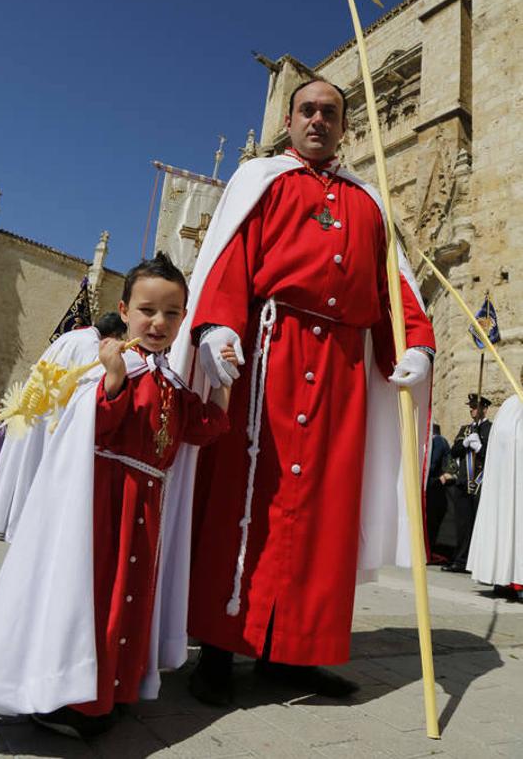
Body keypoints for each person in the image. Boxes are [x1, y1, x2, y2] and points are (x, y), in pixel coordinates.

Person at [167, 78, 435, 706]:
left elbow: (390, 286)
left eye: (331, 113)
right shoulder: (261, 181)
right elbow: (228, 259)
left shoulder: (367, 202)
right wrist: (217, 327)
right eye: (308, 110)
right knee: (245, 499)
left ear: (345, 127)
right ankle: (219, 647)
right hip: (268, 356)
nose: (318, 120)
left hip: (342, 369)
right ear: (289, 119)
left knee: (323, 515)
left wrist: (415, 343)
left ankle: (296, 652)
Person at [0, 253, 235, 739]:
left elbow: (204, 427)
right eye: (148, 310)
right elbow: (91, 424)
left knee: (130, 601)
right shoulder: (108, 365)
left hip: (147, 509)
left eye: (171, 313)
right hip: (103, 507)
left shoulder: (171, 380)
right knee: (94, 598)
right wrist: (114, 378)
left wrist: (223, 379)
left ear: (183, 317)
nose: (159, 322)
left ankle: (111, 691)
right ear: (124, 310)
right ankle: (70, 699)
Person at [0, 311, 127, 541]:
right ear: (115, 335)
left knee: (24, 463)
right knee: (37, 465)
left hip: (36, 411)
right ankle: (22, 525)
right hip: (53, 415)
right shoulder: (91, 346)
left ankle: (6, 517)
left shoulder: (67, 338)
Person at [467, 388, 523, 601]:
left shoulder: (509, 406)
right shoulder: (511, 406)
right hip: (510, 482)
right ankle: (507, 578)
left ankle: (509, 578)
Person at [441, 393, 492, 573]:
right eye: (470, 406)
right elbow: (453, 452)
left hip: (480, 483)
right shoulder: (465, 430)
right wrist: (465, 444)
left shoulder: (489, 429)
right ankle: (461, 560)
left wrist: (480, 447)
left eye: (475, 406)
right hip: (463, 483)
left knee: (478, 525)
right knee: (462, 524)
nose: (472, 409)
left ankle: (475, 562)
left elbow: (492, 455)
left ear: (485, 409)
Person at [426, 423, 451, 560]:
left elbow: (432, 464)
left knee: (431, 521)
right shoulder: (441, 441)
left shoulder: (438, 441)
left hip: (433, 486)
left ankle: (428, 551)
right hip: (435, 486)